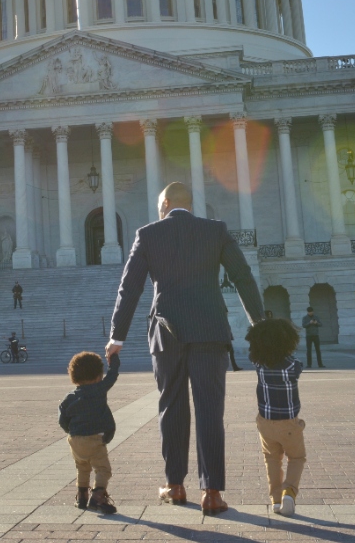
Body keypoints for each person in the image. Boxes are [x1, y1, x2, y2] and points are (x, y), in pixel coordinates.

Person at [108, 181, 263, 516]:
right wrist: (259, 323)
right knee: (210, 410)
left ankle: (175, 484)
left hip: (166, 332)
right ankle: (212, 492)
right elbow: (243, 276)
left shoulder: (148, 234)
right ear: (189, 205)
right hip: (209, 328)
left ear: (164, 204)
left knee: (172, 407)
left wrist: (116, 336)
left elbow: (129, 288)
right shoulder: (215, 230)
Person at [246, 318, 306, 516]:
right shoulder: (292, 365)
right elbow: (299, 367)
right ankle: (289, 491)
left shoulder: (259, 364)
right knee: (296, 457)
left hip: (265, 421)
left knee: (271, 459)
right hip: (288, 422)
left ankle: (276, 499)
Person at [59, 349, 121, 514]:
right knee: (103, 469)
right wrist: (113, 358)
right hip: (94, 439)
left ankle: (81, 497)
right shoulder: (99, 390)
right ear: (97, 376)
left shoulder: (69, 398)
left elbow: (62, 419)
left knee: (82, 467)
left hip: (75, 439)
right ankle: (98, 496)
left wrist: (71, 431)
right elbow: (113, 374)